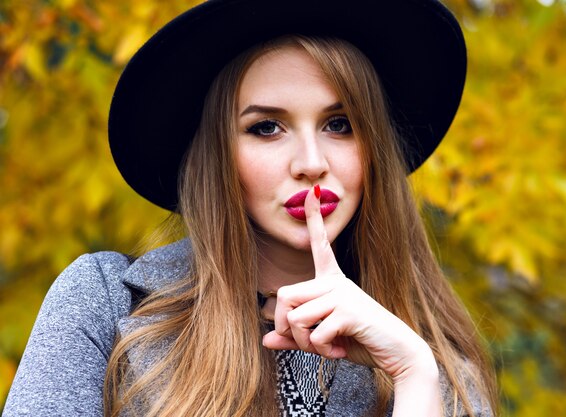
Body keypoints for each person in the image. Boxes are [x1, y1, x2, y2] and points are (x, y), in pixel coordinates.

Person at [4, 0, 498, 416]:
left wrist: (412, 376)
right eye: (266, 128)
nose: (311, 163)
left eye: (340, 124)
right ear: (218, 155)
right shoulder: (106, 305)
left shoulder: (440, 371)